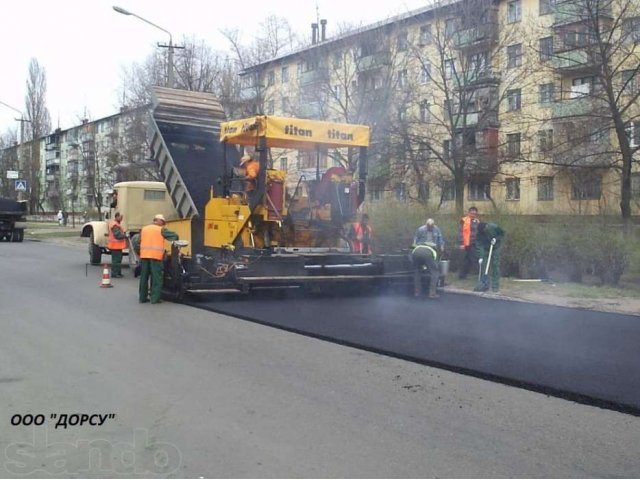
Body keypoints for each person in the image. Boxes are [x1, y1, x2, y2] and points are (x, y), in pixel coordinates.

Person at [137, 214, 179, 304]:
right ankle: (154, 298)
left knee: (144, 277)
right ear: (158, 221)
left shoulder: (144, 229)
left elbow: (137, 242)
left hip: (144, 256)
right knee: (156, 278)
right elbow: (174, 236)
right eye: (162, 222)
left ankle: (142, 298)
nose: (163, 224)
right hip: (155, 257)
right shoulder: (161, 230)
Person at [411, 218, 444, 298]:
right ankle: (432, 293)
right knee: (435, 272)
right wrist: (441, 249)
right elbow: (415, 240)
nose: (430, 227)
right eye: (428, 225)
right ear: (426, 224)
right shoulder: (421, 229)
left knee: (417, 271)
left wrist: (442, 246)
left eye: (431, 226)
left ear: (433, 224)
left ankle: (417, 292)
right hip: (427, 251)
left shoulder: (436, 229)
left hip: (417, 251)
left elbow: (440, 240)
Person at [474, 221, 505, 292]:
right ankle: (485, 284)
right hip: (485, 249)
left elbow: (502, 233)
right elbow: (479, 245)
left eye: (484, 230)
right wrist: (481, 256)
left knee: (495, 266)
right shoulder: (479, 234)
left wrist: (496, 239)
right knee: (484, 267)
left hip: (495, 248)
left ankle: (495, 286)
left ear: (486, 227)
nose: (484, 232)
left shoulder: (493, 227)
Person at [458, 206, 480, 279]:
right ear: (468, 213)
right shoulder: (463, 220)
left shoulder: (477, 221)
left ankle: (462, 275)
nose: (473, 215)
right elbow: (460, 232)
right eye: (471, 213)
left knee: (469, 260)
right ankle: (480, 275)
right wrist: (461, 243)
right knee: (470, 259)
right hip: (465, 243)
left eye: (474, 214)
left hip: (474, 243)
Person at [108, 212, 127, 278]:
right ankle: (115, 273)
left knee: (118, 260)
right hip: (115, 246)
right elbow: (117, 235)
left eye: (122, 217)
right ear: (116, 217)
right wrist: (125, 235)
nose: (121, 219)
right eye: (120, 217)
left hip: (117, 246)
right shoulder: (114, 225)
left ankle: (118, 273)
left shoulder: (117, 224)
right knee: (116, 260)